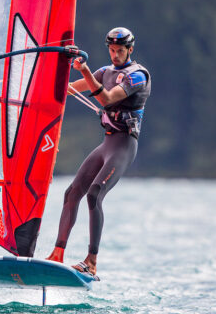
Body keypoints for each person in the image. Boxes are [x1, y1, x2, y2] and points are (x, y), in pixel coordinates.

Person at [46, 27, 151, 276]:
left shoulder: (138, 76)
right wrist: (58, 62)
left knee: (94, 194)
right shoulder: (104, 72)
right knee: (72, 193)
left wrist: (84, 70)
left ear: (130, 50)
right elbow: (69, 88)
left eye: (120, 51)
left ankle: (91, 262)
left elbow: (107, 99)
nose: (115, 55)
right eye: (112, 50)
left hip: (124, 146)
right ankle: (58, 253)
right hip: (106, 144)